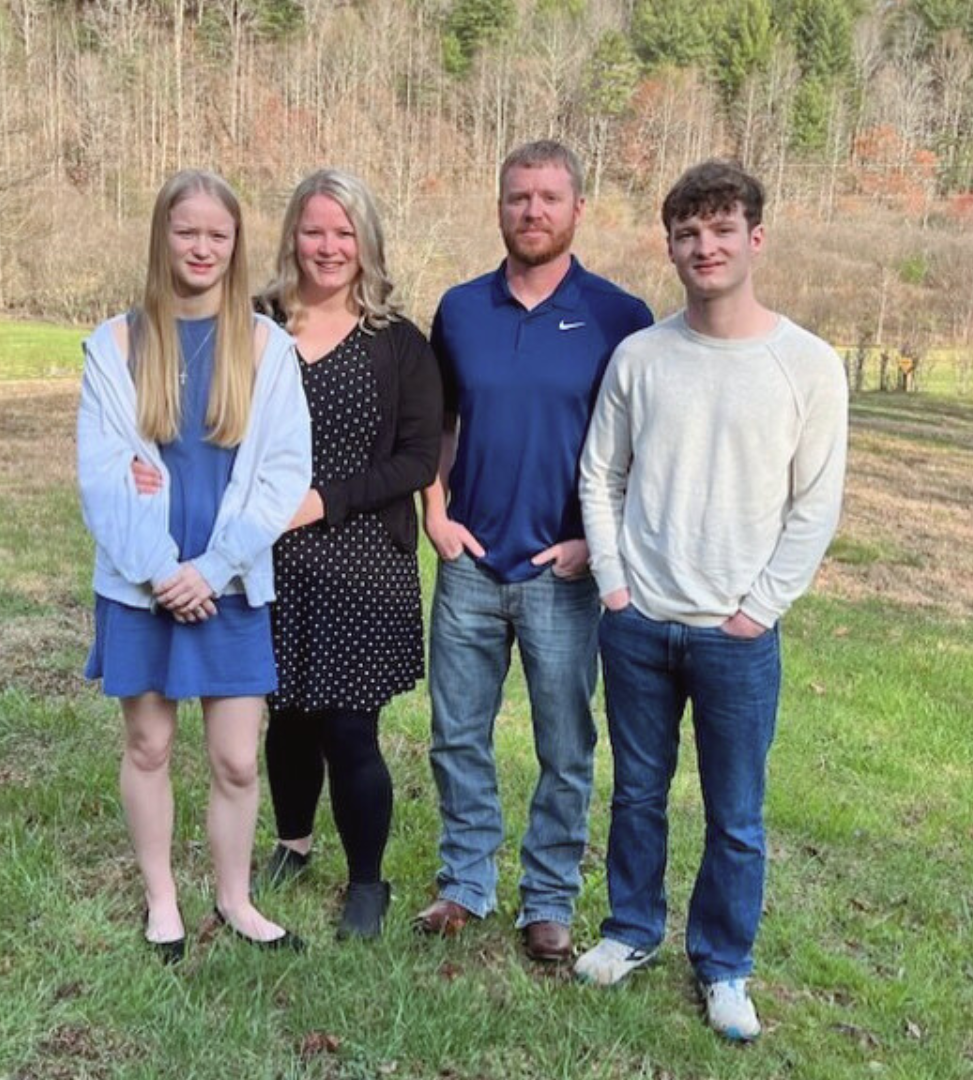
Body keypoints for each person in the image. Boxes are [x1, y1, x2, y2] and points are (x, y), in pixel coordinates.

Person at [576, 160, 848, 1039]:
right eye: (688, 234)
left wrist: (759, 608)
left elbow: (816, 504)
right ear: (671, 247)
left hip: (737, 634)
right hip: (640, 623)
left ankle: (725, 964)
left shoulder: (806, 366)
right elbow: (600, 474)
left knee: (736, 815)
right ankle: (630, 930)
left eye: (722, 229)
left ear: (755, 239)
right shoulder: (642, 356)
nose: (705, 247)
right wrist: (616, 587)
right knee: (637, 796)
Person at [417, 140, 653, 962]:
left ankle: (548, 897)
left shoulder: (621, 317)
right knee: (457, 733)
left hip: (563, 572)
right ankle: (466, 881)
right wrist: (435, 511)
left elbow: (636, 450)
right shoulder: (459, 309)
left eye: (550, 197)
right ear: (499, 207)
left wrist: (598, 537)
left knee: (564, 742)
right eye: (519, 197)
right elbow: (436, 425)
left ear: (577, 208)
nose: (533, 211)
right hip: (470, 563)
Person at [78, 169, 312, 961]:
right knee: (147, 746)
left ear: (236, 242)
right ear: (162, 236)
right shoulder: (116, 344)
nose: (202, 247)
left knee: (238, 758)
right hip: (141, 589)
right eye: (188, 232)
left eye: (218, 234)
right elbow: (105, 475)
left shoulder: (267, 348)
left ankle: (236, 898)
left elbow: (281, 474)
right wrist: (158, 571)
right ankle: (162, 902)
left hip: (231, 584)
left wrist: (210, 569)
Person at [255, 169, 442, 940]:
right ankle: (293, 844)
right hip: (266, 562)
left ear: (366, 242)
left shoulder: (397, 343)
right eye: (314, 230)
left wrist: (321, 501)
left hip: (363, 564)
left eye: (344, 232)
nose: (328, 247)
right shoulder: (258, 324)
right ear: (292, 237)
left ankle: (368, 882)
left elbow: (418, 460)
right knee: (285, 717)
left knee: (348, 730)